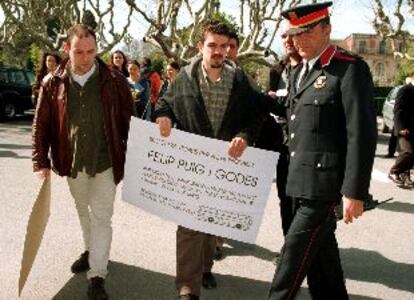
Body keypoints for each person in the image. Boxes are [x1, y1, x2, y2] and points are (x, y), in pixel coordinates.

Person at [266, 2, 377, 299]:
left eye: (306, 32)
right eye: (294, 34)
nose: (298, 40)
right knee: (321, 264)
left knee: (290, 261)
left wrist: (355, 192)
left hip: (323, 189)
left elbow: (361, 134)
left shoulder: (349, 69)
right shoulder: (300, 71)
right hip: (296, 183)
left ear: (327, 29)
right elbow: (289, 114)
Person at [154, 20, 263, 300]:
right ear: (200, 47)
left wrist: (244, 135)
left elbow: (254, 117)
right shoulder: (184, 79)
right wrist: (163, 116)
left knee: (211, 223)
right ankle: (187, 287)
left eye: (223, 46)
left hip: (225, 167)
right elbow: (165, 103)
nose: (218, 51)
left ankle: (205, 268)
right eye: (212, 45)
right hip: (192, 164)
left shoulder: (240, 81)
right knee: (189, 225)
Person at [32, 24, 134, 300]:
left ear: (97, 48)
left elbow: (130, 123)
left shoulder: (115, 81)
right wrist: (40, 161)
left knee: (102, 217)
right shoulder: (52, 83)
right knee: (82, 209)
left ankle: (97, 274)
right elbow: (40, 125)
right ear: (67, 49)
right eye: (79, 51)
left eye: (91, 51)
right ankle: (92, 250)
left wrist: (139, 157)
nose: (86, 57)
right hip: (72, 162)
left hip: (106, 162)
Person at [267, 20, 302, 241]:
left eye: (292, 35)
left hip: (307, 148)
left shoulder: (316, 69)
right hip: (281, 146)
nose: (287, 41)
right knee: (285, 199)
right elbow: (278, 106)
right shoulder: (277, 69)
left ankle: (306, 249)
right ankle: (289, 246)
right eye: (283, 36)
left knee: (306, 203)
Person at [388, 74, 414, 187]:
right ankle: (394, 172)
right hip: (405, 128)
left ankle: (405, 175)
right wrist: (401, 128)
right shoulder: (405, 90)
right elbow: (398, 110)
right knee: (408, 152)